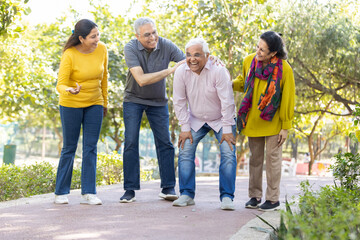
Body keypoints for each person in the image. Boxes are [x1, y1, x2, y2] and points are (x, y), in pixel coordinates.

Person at [120, 17, 186, 203]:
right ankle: (130, 190)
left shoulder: (166, 45)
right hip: (134, 99)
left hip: (158, 101)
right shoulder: (130, 48)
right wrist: (170, 71)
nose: (152, 37)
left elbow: (187, 62)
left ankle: (168, 187)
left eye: (154, 32)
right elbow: (141, 79)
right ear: (137, 36)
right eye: (147, 34)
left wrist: (208, 58)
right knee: (131, 141)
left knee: (165, 142)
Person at [172, 38, 237, 210]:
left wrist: (228, 129)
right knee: (185, 150)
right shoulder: (180, 72)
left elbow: (227, 101)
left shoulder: (219, 71)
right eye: (188, 55)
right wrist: (185, 128)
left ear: (207, 56)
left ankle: (227, 197)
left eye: (197, 55)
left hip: (221, 119)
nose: (192, 59)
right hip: (196, 118)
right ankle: (186, 194)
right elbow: (179, 101)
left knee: (228, 153)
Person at [233, 31, 295, 211]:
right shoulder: (249, 61)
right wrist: (228, 83)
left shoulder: (285, 69)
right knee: (255, 159)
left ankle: (273, 199)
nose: (258, 52)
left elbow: (288, 98)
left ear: (273, 53)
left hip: (274, 121)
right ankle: (255, 196)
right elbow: (243, 82)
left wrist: (286, 127)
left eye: (263, 50)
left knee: (273, 160)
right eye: (257, 47)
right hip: (253, 119)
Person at [54, 19, 108, 205]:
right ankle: (61, 192)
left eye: (98, 35)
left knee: (90, 147)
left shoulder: (102, 49)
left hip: (95, 102)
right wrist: (67, 90)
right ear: (81, 38)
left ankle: (89, 193)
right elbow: (60, 83)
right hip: (71, 103)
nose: (97, 39)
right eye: (93, 36)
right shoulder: (69, 54)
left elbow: (104, 77)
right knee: (69, 147)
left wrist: (104, 103)